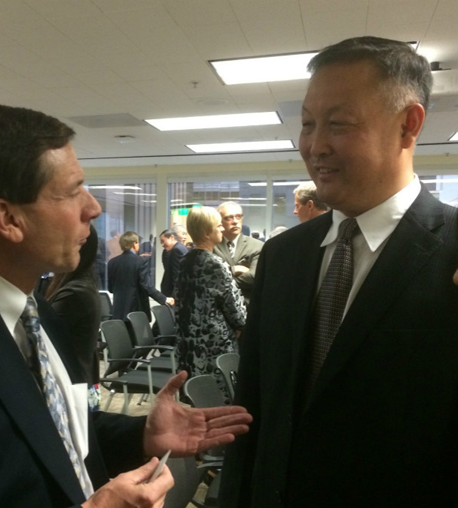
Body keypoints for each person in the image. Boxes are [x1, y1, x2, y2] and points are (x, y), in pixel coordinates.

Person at [0, 103, 252, 508]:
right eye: (71, 192)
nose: (93, 208)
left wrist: (141, 435)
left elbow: (56, 429)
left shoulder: (36, 310)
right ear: (8, 219)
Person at [219, 36, 458, 508]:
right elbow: (253, 410)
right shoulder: (283, 255)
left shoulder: (452, 252)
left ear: (408, 125)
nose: (315, 145)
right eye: (308, 124)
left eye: (339, 124)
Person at [175, 206, 246, 400]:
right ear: (207, 233)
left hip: (189, 342)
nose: (222, 228)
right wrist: (240, 326)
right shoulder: (215, 263)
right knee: (219, 401)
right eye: (218, 225)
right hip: (214, 345)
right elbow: (237, 311)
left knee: (197, 398)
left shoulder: (185, 262)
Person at [46, 224, 102, 411]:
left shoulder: (76, 292)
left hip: (75, 383)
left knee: (88, 425)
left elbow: (43, 338)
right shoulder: (80, 285)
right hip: (81, 378)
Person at [108, 231, 174, 321]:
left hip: (118, 312)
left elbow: (110, 289)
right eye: (138, 243)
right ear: (134, 244)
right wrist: (164, 299)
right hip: (136, 312)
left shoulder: (112, 263)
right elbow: (147, 286)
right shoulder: (141, 261)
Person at [213, 201, 263, 306]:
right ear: (219, 221)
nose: (235, 221)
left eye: (238, 217)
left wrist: (221, 284)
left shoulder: (256, 246)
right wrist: (234, 269)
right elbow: (209, 274)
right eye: (229, 218)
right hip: (217, 307)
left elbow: (254, 277)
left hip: (248, 306)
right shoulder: (212, 245)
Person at [159, 228, 187, 298]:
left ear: (172, 237)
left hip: (172, 293)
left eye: (163, 241)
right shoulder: (182, 247)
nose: (162, 245)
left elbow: (176, 275)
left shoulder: (176, 250)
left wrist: (175, 296)